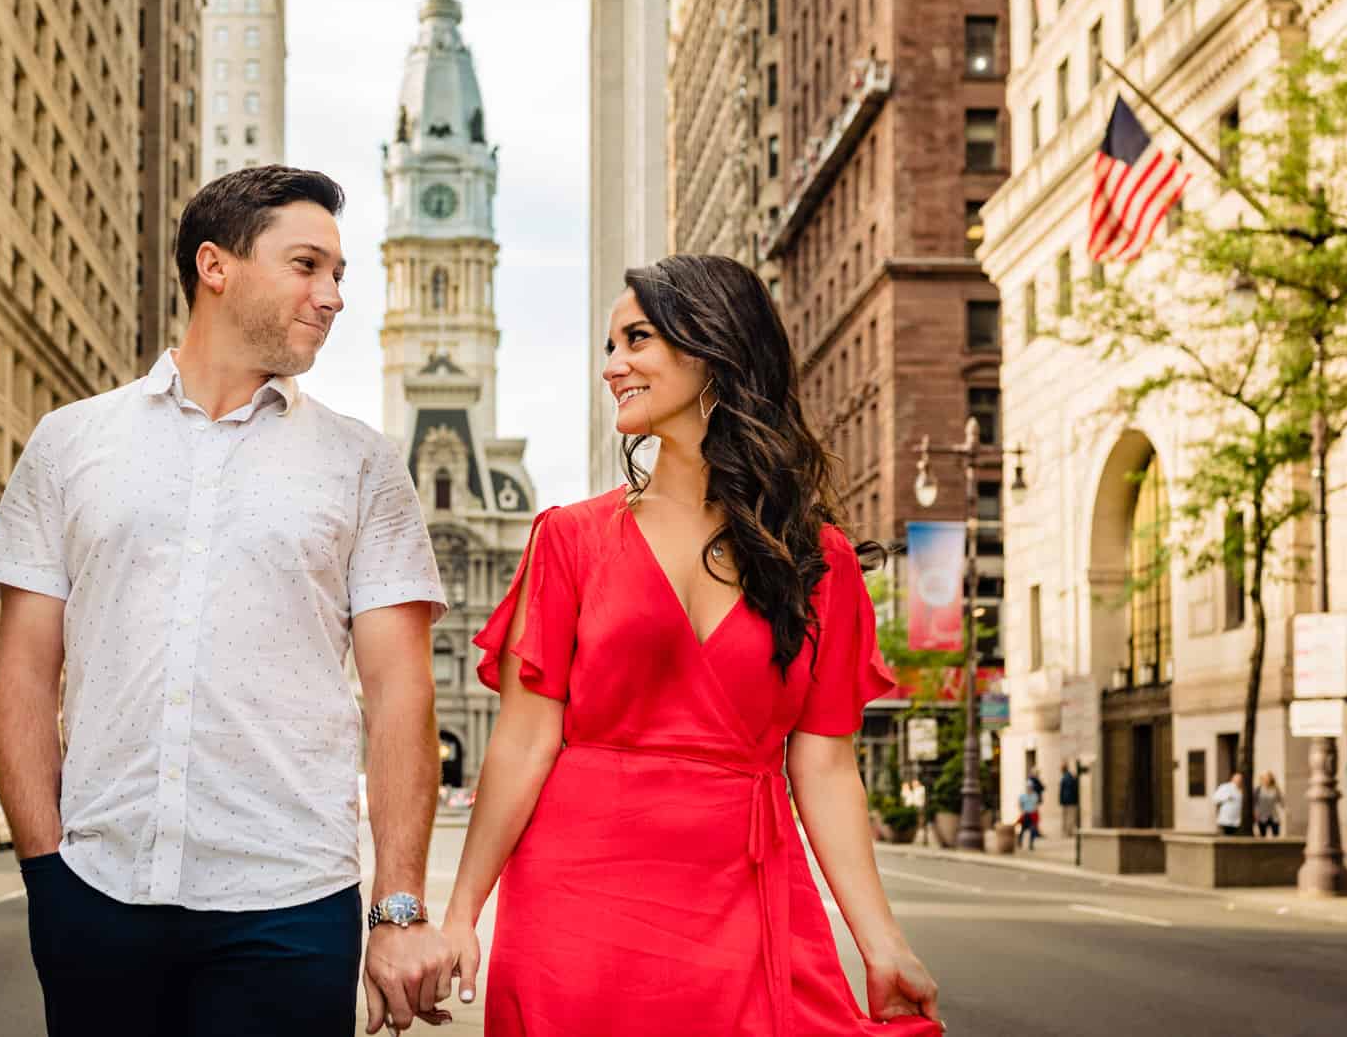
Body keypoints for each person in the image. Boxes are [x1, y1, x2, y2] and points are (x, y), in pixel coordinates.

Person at [0, 167, 455, 1037]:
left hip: (291, 907)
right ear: (215, 265)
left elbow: (401, 694)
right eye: (308, 265)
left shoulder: (363, 462)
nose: (333, 295)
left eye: (340, 274)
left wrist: (397, 906)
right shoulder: (70, 443)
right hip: (97, 895)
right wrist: (47, 874)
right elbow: (21, 668)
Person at [441, 254, 941, 1037]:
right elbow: (522, 744)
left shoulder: (819, 560)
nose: (612, 367)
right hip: (577, 906)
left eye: (634, 339)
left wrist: (881, 940)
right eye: (609, 346)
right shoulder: (570, 540)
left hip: (747, 895)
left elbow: (824, 765)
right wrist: (460, 912)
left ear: (708, 349)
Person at [1212, 770, 1245, 836]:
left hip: (1237, 820)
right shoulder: (1225, 787)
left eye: (1240, 779)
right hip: (1226, 819)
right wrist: (1226, 798)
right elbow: (1215, 799)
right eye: (1237, 779)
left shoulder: (1242, 789)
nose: (1239, 781)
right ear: (1232, 779)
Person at [1252, 771, 1285, 837]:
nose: (1266, 780)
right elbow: (1254, 803)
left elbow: (1281, 801)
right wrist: (1255, 813)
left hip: (1273, 815)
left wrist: (1285, 810)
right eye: (1265, 778)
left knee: (1276, 834)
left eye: (1268, 778)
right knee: (1262, 835)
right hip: (1261, 816)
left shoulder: (1275, 789)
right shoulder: (1258, 790)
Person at [1016, 779, 1042, 850]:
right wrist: (1022, 811)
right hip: (1026, 815)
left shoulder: (1035, 795)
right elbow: (1019, 804)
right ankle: (1019, 842)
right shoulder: (1023, 796)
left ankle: (1031, 844)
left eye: (1031, 787)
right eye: (1028, 787)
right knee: (1023, 830)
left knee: (1032, 830)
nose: (1029, 788)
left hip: (1032, 815)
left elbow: (1036, 805)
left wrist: (1036, 813)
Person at [1058, 762, 1080, 836]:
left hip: (1067, 800)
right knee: (1069, 816)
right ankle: (1068, 831)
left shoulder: (1065, 778)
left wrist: (1061, 800)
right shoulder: (1070, 777)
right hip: (1070, 800)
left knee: (1067, 816)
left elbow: (1062, 790)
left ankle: (1067, 831)